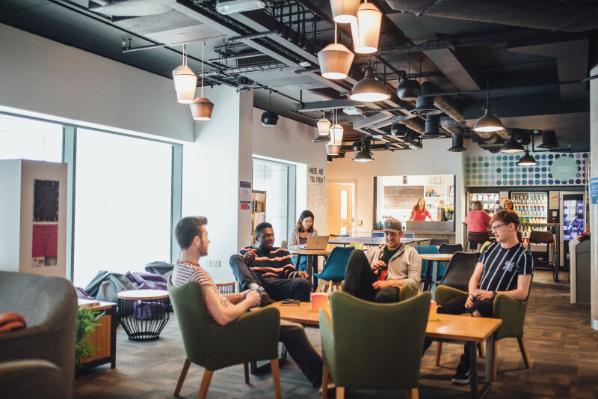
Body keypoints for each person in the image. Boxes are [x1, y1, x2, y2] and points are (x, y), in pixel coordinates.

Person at [171, 216, 323, 387]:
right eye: (206, 236)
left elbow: (210, 301)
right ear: (197, 240)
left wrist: (241, 296)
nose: (210, 240)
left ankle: (322, 376)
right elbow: (224, 317)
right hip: (227, 331)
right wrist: (249, 301)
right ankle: (324, 378)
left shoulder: (180, 269)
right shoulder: (198, 275)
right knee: (294, 331)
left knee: (289, 328)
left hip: (207, 334)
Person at [427, 210, 533, 384]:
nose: (494, 231)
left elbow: (522, 292)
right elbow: (475, 277)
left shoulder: (524, 256)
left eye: (497, 227)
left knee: (478, 311)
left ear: (511, 226)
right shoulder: (489, 249)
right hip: (475, 297)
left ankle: (467, 364)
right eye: (492, 228)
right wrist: (471, 293)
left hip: (498, 304)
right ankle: (414, 360)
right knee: (438, 312)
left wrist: (492, 294)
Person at [342, 218, 421, 303]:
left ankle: (379, 313)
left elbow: (414, 283)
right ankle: (346, 300)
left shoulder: (411, 253)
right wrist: (372, 268)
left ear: (400, 234)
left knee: (384, 295)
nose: (389, 237)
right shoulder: (375, 250)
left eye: (393, 234)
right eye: (386, 234)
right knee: (356, 253)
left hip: (392, 289)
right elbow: (360, 273)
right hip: (373, 286)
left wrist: (389, 283)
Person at [232, 222, 311, 302]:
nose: (271, 238)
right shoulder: (246, 251)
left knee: (303, 283)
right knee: (234, 258)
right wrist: (245, 260)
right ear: (256, 238)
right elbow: (239, 270)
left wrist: (298, 274)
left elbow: (289, 272)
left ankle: (295, 312)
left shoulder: (282, 252)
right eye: (267, 236)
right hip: (259, 283)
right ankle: (256, 289)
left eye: (272, 235)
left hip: (277, 284)